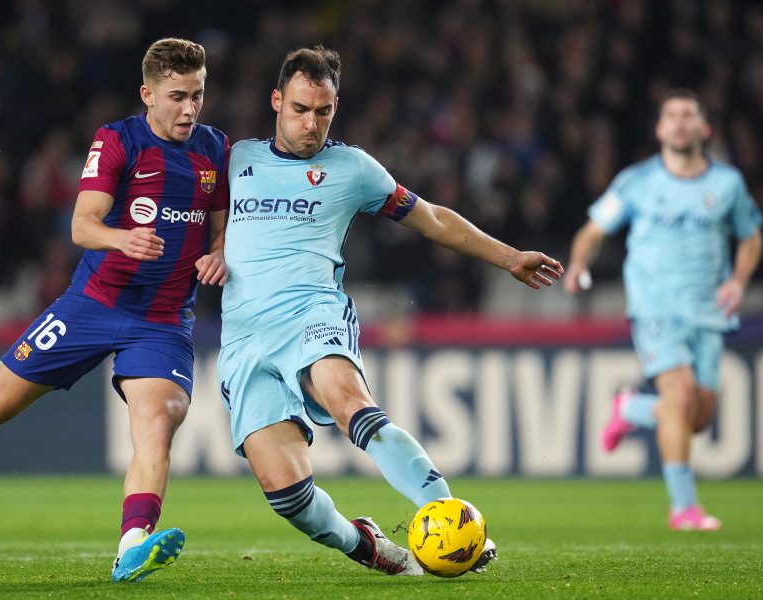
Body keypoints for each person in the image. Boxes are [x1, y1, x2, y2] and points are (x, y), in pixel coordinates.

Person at [0, 38, 231, 583]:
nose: (190, 109)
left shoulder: (216, 149)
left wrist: (219, 254)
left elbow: (221, 230)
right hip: (92, 306)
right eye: (177, 96)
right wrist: (122, 239)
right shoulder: (118, 140)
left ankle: (132, 544)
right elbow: (83, 224)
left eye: (198, 95)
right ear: (147, 93)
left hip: (163, 320)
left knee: (159, 422)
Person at [218, 46, 563, 576]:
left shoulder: (351, 168)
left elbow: (431, 220)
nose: (312, 124)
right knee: (287, 496)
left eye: (324, 111)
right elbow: (202, 217)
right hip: (243, 337)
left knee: (348, 401)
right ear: (276, 101)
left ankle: (450, 519)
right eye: (300, 109)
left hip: (313, 314)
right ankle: (370, 546)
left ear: (336, 106)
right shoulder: (237, 158)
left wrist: (509, 256)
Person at [564, 89, 763, 531]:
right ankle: (684, 508)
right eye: (670, 115)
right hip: (655, 308)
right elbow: (593, 231)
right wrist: (578, 264)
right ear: (659, 128)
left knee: (697, 417)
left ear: (703, 128)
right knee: (682, 398)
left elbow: (751, 237)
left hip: (708, 311)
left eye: (688, 115)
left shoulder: (727, 184)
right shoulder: (637, 182)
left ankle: (631, 409)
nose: (678, 122)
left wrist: (738, 281)